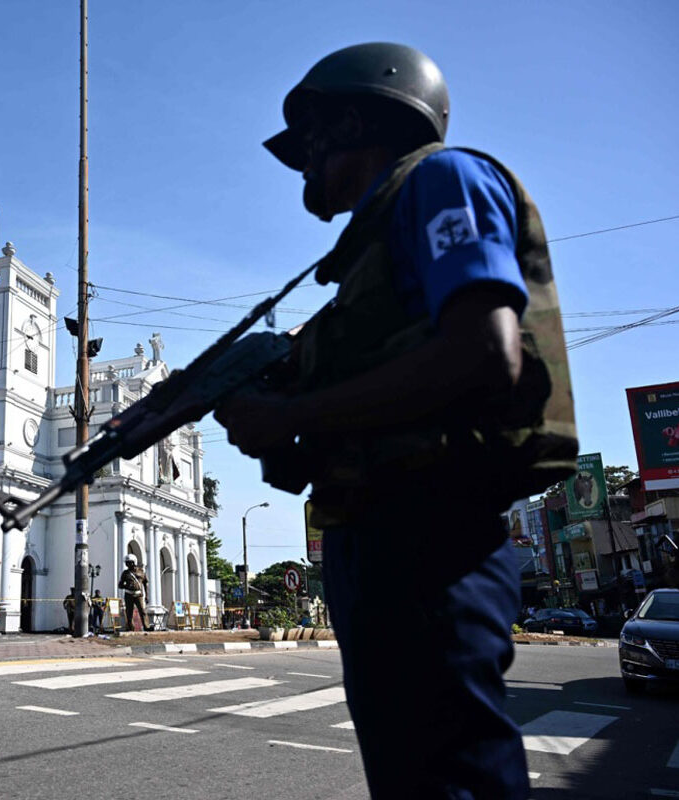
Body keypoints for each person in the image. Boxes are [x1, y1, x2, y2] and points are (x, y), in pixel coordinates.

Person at [215, 43, 577, 799]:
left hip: (430, 533)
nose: (302, 166)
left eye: (311, 142)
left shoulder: (442, 180)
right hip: (379, 536)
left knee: (450, 779)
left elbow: (485, 351)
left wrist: (291, 414)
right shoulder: (367, 252)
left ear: (356, 119)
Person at [118, 555, 147, 632]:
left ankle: (146, 626)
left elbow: (145, 583)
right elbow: (120, 585)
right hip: (128, 594)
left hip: (138, 594)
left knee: (142, 611)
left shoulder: (141, 572)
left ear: (134, 562)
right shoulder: (125, 573)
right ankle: (130, 627)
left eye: (129, 563)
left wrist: (146, 595)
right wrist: (126, 586)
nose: (127, 564)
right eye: (126, 563)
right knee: (129, 612)